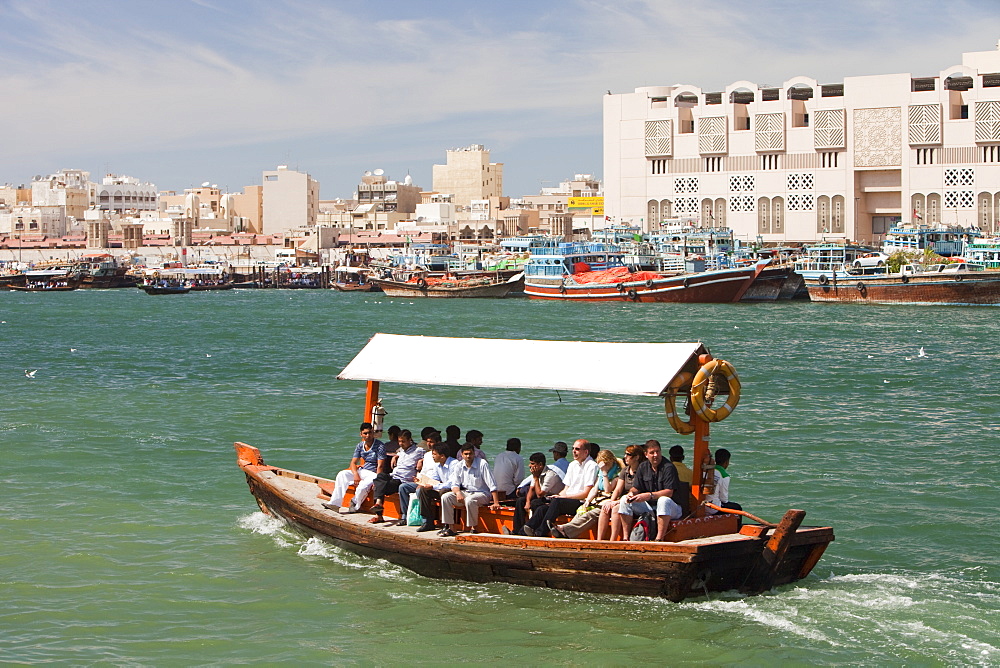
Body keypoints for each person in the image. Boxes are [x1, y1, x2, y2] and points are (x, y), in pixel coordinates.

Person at [521, 439, 597, 537]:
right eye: (573, 448)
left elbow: (586, 493)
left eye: (577, 449)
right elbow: (566, 488)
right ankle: (523, 532)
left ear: (586, 452)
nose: (574, 451)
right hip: (566, 499)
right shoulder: (572, 465)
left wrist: (564, 498)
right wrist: (558, 495)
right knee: (541, 504)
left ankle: (540, 533)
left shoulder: (592, 466)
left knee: (557, 502)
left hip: (580, 501)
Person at [616, 439, 682, 541]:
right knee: (625, 499)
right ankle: (626, 538)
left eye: (658, 452)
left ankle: (659, 539)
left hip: (672, 508)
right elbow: (636, 487)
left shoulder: (668, 467)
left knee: (663, 500)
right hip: (650, 507)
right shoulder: (643, 466)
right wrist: (631, 493)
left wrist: (649, 495)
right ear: (646, 454)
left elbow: (669, 492)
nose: (655, 455)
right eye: (652, 453)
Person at [550, 448, 621, 539]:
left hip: (607, 501)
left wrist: (604, 473)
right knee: (581, 511)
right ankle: (566, 531)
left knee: (591, 514)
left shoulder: (617, 474)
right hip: (597, 500)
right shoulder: (600, 474)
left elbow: (607, 489)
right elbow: (595, 488)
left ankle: (564, 529)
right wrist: (588, 500)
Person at [439, 443, 501, 537]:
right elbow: (455, 484)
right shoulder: (459, 466)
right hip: (466, 492)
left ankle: (473, 528)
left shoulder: (482, 464)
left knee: (470, 500)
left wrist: (496, 502)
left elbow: (492, 484)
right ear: (462, 455)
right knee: (446, 497)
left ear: (474, 453)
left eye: (470, 453)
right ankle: (451, 527)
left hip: (482, 494)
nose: (468, 456)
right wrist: (458, 493)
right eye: (466, 454)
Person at [323, 422, 387, 512]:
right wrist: (356, 474)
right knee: (342, 474)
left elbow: (380, 466)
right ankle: (335, 504)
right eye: (365, 433)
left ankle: (355, 503)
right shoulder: (360, 445)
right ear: (361, 434)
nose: (368, 435)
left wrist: (377, 481)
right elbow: (353, 463)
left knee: (362, 486)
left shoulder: (380, 446)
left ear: (373, 433)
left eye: (370, 433)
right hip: (363, 470)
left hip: (374, 473)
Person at [369, 429, 424, 525]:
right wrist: (395, 456)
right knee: (380, 477)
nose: (401, 443)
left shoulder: (419, 451)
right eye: (399, 441)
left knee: (379, 486)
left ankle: (379, 514)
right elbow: (398, 452)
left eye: (403, 441)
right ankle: (378, 503)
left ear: (409, 440)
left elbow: (430, 456)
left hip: (403, 480)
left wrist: (421, 460)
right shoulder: (401, 450)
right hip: (393, 476)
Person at [511, 452, 564, 534]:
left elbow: (540, 494)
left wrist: (536, 478)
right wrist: (527, 503)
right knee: (520, 501)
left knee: (536, 504)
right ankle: (516, 530)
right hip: (544, 498)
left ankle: (527, 530)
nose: (530, 466)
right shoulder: (536, 473)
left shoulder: (550, 475)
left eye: (532, 464)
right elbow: (531, 489)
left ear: (540, 465)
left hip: (551, 501)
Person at [414, 442, 458, 532]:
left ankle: (446, 523)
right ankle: (428, 521)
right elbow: (434, 479)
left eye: (434, 454)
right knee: (423, 490)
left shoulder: (454, 464)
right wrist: (422, 482)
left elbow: (452, 483)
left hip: (454, 490)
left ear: (442, 456)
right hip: (440, 487)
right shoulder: (437, 465)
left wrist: (434, 486)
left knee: (443, 492)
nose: (432, 456)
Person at [706, 448, 742, 519]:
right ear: (726, 462)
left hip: (702, 506)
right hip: (713, 509)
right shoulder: (724, 475)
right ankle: (737, 528)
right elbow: (724, 499)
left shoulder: (708, 471)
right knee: (737, 508)